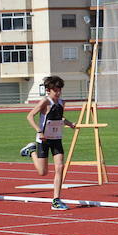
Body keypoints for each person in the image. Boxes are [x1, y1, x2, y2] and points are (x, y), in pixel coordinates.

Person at [20, 75, 76, 210]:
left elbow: (59, 117)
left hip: (56, 138)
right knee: (42, 172)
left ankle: (56, 200)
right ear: (48, 90)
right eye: (55, 90)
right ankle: (31, 151)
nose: (58, 93)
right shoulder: (45, 101)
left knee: (60, 167)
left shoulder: (62, 102)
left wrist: (70, 123)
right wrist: (39, 131)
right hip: (43, 140)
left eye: (59, 90)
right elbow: (30, 116)